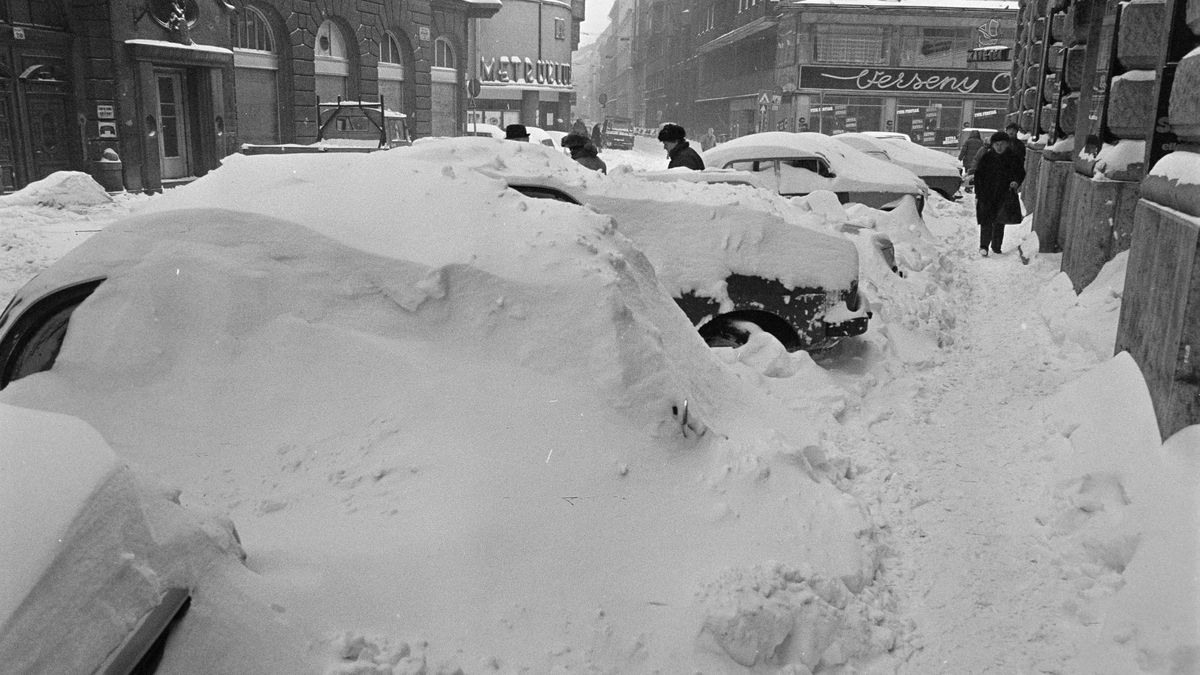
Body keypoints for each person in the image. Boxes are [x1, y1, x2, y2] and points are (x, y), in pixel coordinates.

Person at [973, 131, 1026, 256]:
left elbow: (1020, 173)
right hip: (987, 194)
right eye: (996, 144)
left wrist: (1016, 182)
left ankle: (996, 246)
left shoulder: (1013, 157)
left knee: (999, 220)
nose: (999, 147)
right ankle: (984, 246)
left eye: (1002, 144)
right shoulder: (987, 157)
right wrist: (978, 193)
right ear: (992, 145)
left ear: (1007, 144)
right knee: (986, 219)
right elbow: (978, 175)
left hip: (1004, 194)